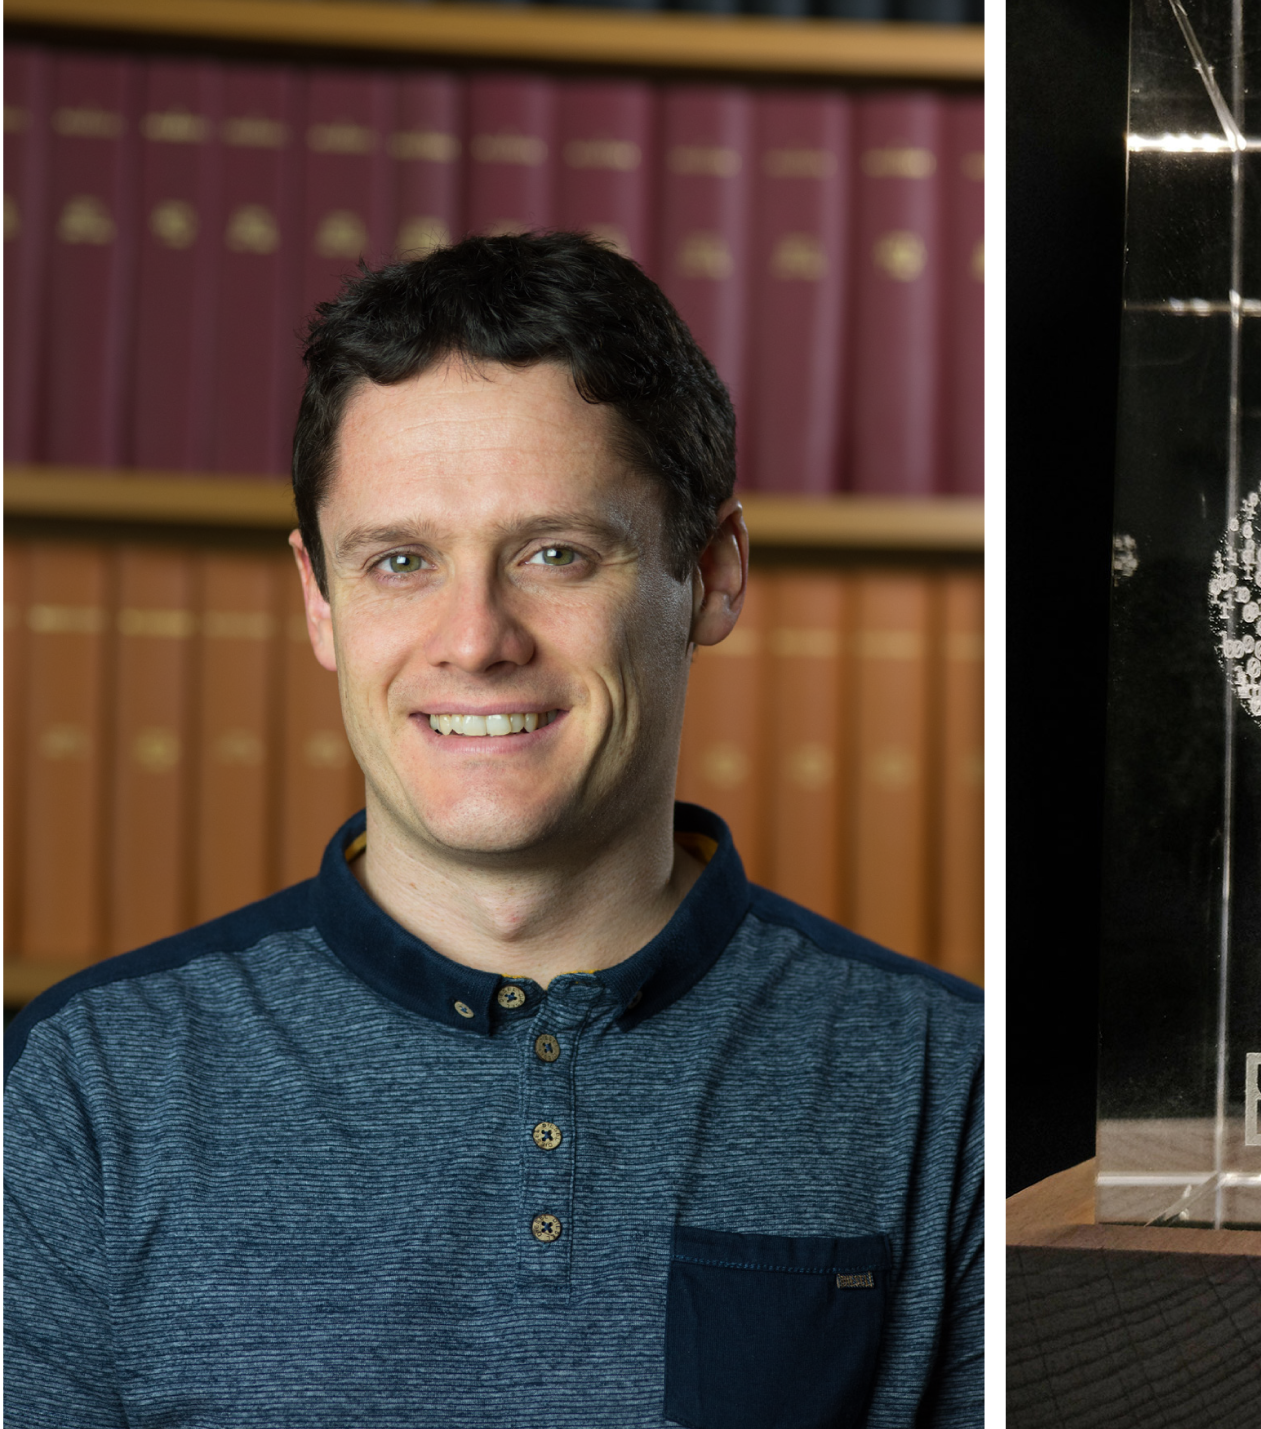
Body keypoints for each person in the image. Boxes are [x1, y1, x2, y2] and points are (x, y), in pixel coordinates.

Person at [4, 232, 983, 1429]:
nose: (475, 638)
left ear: (713, 571)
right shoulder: (78, 1092)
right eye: (401, 560)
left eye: (555, 553)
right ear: (321, 600)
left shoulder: (953, 1083)